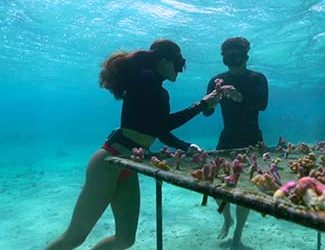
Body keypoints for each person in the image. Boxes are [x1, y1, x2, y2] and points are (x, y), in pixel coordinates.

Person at [46, 39, 222, 250]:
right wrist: (202, 104)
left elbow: (158, 130)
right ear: (164, 61)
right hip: (110, 161)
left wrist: (186, 146)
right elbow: (161, 125)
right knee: (75, 236)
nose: (180, 70)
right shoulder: (146, 80)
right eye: (179, 63)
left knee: (125, 239)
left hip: (128, 164)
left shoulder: (151, 84)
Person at [203, 37, 269, 250]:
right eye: (227, 54)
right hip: (227, 138)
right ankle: (227, 219)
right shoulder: (216, 80)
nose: (231, 57)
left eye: (236, 53)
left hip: (252, 139)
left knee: (245, 191)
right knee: (214, 184)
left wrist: (240, 97)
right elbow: (206, 112)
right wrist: (211, 100)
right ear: (223, 57)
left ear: (246, 56)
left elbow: (263, 105)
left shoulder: (257, 78)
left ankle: (238, 234)